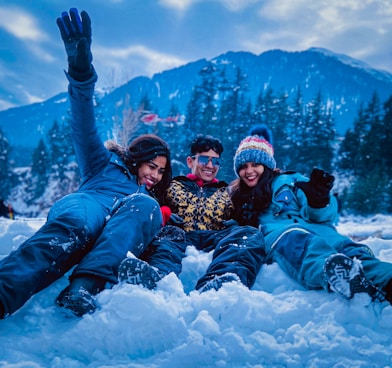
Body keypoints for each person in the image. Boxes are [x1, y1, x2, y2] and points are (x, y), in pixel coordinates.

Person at [0, 8, 172, 319]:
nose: (155, 175)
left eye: (161, 171)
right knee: (76, 228)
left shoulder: (144, 201)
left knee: (145, 208)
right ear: (137, 158)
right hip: (88, 205)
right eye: (152, 166)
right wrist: (81, 74)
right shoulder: (102, 162)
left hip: (119, 222)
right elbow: (83, 123)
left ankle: (82, 287)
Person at [229, 125, 392, 303]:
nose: (249, 171)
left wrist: (319, 201)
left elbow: (326, 216)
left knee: (349, 249)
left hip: (317, 228)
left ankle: (386, 280)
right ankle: (340, 277)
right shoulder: (237, 196)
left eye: (255, 164)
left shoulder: (290, 181)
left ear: (267, 165)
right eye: (243, 166)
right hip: (280, 235)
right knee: (303, 245)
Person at [118, 134, 266, 292]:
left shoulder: (229, 192)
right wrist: (163, 212)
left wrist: (237, 223)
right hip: (179, 235)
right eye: (204, 160)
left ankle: (223, 280)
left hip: (214, 236)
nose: (210, 165)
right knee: (166, 237)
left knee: (248, 234)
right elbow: (151, 203)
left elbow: (248, 211)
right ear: (190, 161)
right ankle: (158, 276)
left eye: (215, 161)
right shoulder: (171, 185)